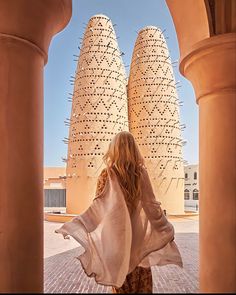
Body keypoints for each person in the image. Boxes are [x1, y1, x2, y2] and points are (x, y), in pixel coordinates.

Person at [55, 131, 183, 293]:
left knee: (121, 288)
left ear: (114, 149)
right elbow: (152, 207)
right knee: (141, 288)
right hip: (138, 246)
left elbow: (99, 209)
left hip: (117, 245)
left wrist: (75, 225)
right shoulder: (140, 174)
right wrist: (166, 228)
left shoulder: (106, 175)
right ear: (133, 149)